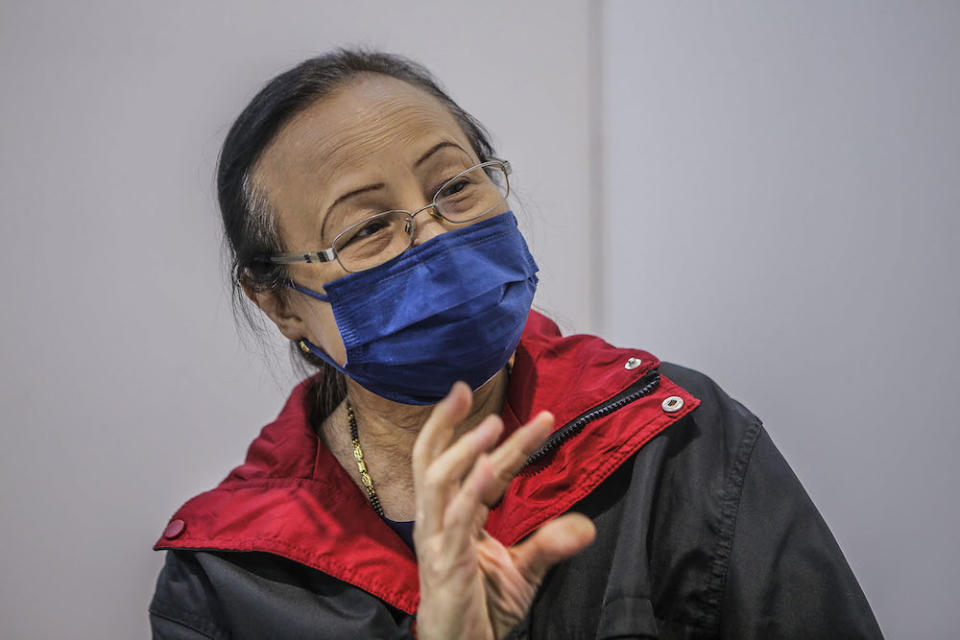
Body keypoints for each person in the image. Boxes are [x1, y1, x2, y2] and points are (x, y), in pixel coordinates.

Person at [149, 49, 884, 639]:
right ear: (278, 302)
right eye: (368, 228)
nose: (436, 234)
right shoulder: (227, 578)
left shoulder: (679, 443)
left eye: (454, 187)